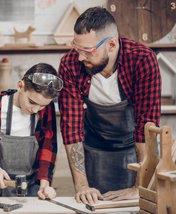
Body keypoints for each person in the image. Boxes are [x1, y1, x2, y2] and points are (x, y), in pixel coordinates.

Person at [58, 7, 161, 205]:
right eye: (76, 48)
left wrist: (139, 187)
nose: (80, 57)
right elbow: (71, 128)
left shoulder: (142, 59)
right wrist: (81, 186)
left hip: (134, 148)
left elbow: (145, 128)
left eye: (87, 51)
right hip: (94, 148)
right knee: (96, 204)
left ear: (112, 44)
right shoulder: (70, 64)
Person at [0, 63, 63, 199]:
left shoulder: (45, 110)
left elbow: (48, 146)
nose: (35, 110)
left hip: (31, 189)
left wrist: (44, 183)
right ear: (20, 86)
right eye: (32, 102)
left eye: (42, 105)